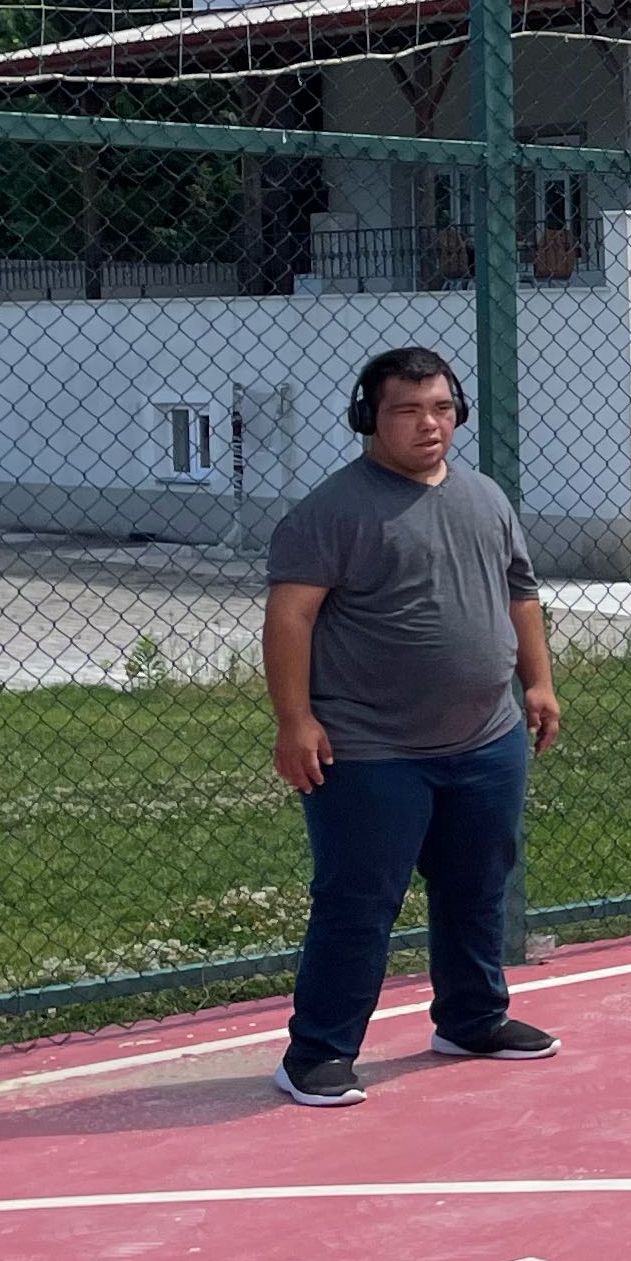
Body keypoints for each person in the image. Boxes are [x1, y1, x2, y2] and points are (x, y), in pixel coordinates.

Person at [263, 347, 564, 1108]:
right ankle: (317, 1054)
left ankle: (471, 1019)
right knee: (359, 900)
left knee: (477, 884)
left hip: (485, 735)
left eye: (440, 407)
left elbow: (519, 594)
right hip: (371, 748)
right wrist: (294, 721)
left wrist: (537, 680)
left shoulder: (485, 496)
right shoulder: (332, 511)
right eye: (406, 410)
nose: (428, 424)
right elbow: (290, 615)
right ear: (369, 419)